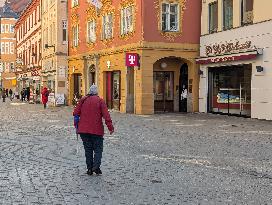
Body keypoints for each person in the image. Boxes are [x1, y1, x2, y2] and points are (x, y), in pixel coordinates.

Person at [73, 85, 114, 176]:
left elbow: (75, 112)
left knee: (88, 150)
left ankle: (89, 169)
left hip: (83, 130)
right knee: (98, 149)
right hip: (96, 130)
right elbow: (106, 115)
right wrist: (110, 127)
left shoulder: (83, 100)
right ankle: (96, 166)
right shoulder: (100, 101)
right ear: (96, 92)